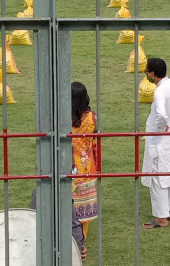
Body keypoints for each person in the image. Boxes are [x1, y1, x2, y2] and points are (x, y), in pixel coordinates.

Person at [141, 58, 170, 229]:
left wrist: (162, 126)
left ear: (152, 74)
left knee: (158, 177)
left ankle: (161, 218)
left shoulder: (160, 92)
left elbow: (160, 114)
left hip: (160, 139)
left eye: (147, 72)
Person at [71, 82, 98, 240]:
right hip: (87, 165)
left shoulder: (64, 118)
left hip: (70, 165)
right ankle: (82, 239)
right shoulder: (92, 117)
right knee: (84, 203)